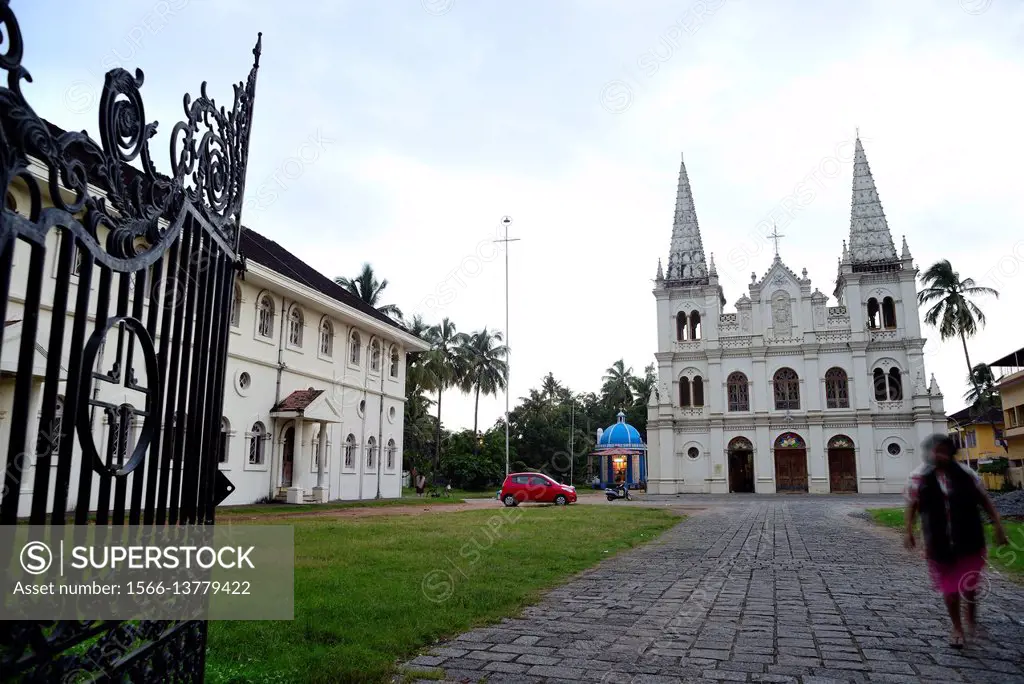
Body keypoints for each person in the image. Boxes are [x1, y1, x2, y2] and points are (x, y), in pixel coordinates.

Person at [904, 433, 1009, 649]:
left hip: (969, 538)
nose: (938, 454)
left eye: (943, 450)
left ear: (952, 453)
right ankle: (957, 627)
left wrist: (998, 524)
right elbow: (913, 504)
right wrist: (909, 531)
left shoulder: (967, 474)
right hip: (939, 541)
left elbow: (984, 500)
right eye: (935, 450)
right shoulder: (920, 477)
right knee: (950, 590)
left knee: (969, 586)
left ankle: (971, 619)